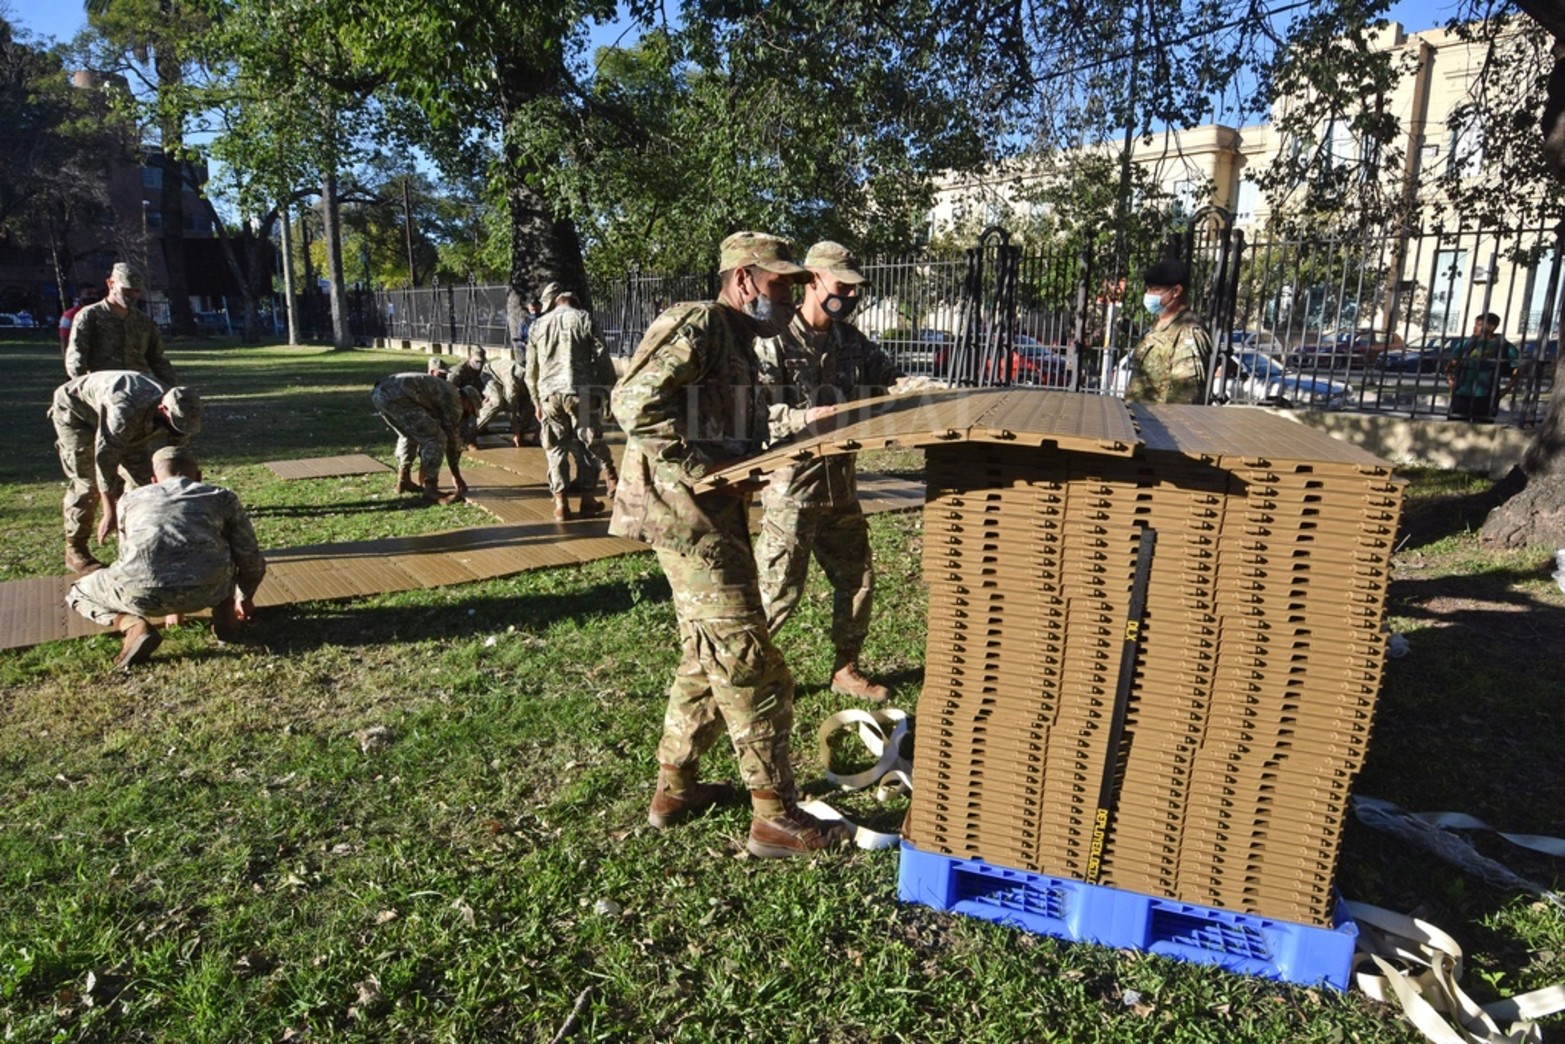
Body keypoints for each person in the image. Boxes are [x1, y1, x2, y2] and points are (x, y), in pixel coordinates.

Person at [610, 230, 851, 859]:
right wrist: (700, 469)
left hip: (712, 518)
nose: (789, 294)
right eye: (779, 283)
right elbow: (633, 401)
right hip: (686, 520)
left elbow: (723, 422)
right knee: (751, 664)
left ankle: (676, 787)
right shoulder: (698, 322)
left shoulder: (742, 343)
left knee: (704, 656)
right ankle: (774, 816)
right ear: (743, 279)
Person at [753, 241, 902, 703]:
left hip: (841, 489)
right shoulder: (773, 341)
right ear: (813, 281)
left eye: (856, 289)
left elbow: (892, 385)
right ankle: (749, 677)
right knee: (777, 594)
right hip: (792, 491)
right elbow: (753, 412)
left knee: (856, 581)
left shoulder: (851, 342)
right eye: (843, 286)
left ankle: (845, 668)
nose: (851, 296)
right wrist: (802, 420)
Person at [66, 445, 266, 671]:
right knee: (220, 562)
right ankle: (225, 620)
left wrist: (170, 603)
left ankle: (132, 625)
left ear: (153, 479)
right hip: (211, 589)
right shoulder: (221, 497)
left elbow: (134, 558)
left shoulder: (129, 499)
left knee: (78, 592)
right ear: (198, 476)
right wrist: (246, 596)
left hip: (142, 595)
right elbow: (249, 556)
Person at [50, 370, 203, 574]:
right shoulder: (125, 409)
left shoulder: (180, 408)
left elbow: (175, 456)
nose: (178, 428)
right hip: (77, 414)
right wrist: (109, 511)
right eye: (175, 422)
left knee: (146, 487)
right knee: (88, 483)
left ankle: (141, 547)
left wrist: (184, 495)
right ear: (162, 409)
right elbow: (105, 460)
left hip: (128, 423)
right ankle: (76, 549)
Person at [526, 281, 619, 520]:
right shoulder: (584, 319)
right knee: (588, 443)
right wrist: (609, 390)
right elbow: (601, 357)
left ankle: (561, 504)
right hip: (582, 392)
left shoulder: (537, 326)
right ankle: (587, 500)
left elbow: (531, 371)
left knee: (555, 447)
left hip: (550, 395)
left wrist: (536, 402)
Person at [370, 371, 481, 504]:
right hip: (399, 396)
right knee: (436, 438)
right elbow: (451, 440)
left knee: (408, 435)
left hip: (381, 393)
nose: (467, 415)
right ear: (468, 402)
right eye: (470, 411)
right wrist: (456, 475)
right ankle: (431, 489)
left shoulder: (447, 390)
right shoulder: (455, 400)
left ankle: (404, 480)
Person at [64, 263, 178, 386]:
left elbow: (158, 360)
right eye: (127, 290)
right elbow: (76, 358)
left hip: (139, 390)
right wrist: (85, 388)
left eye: (137, 291)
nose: (133, 295)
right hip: (104, 389)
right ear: (111, 284)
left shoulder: (143, 321)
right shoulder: (90, 316)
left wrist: (172, 389)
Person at [1121, 257, 1212, 404]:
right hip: (1139, 419)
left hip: (1159, 424)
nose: (1149, 295)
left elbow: (1185, 399)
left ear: (1176, 291)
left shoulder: (1187, 333)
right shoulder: (1158, 327)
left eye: (1156, 289)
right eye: (1148, 289)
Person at [1446, 312, 1519, 424]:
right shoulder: (1467, 343)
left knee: (1482, 426)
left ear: (1491, 327)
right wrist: (1450, 379)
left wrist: (1507, 388)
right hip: (1462, 393)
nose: (1475, 327)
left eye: (1479, 324)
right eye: (1475, 324)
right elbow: (1451, 363)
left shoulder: (1503, 346)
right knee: (1455, 426)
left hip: (1486, 395)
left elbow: (1517, 367)